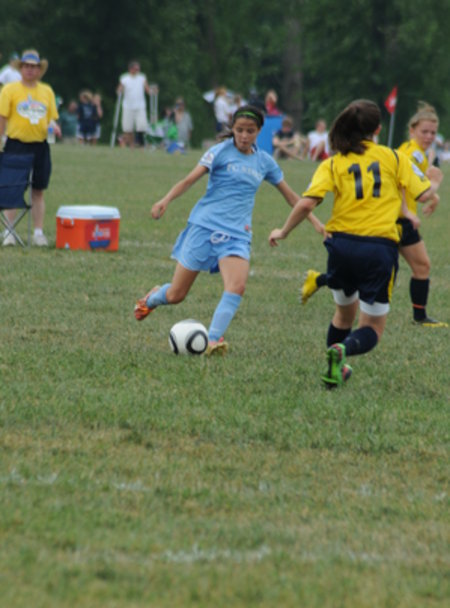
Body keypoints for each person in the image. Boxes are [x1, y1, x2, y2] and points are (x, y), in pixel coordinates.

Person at [269, 99, 442, 387]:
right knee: (372, 327)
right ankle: (343, 350)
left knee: (342, 315)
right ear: (377, 129)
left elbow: (307, 203)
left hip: (341, 246)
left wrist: (283, 231)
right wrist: (435, 181)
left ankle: (333, 371)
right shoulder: (394, 157)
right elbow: (424, 194)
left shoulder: (334, 162)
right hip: (378, 249)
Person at [133, 104, 323, 355]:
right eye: (240, 130)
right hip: (204, 227)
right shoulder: (219, 152)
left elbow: (292, 197)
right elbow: (189, 180)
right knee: (176, 294)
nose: (244, 136)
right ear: (232, 128)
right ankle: (152, 298)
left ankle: (213, 340)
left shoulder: (265, 162)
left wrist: (316, 222)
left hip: (237, 234)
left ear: (259, 131)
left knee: (236, 287)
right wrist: (165, 200)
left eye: (250, 131)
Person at [0, 49, 60, 247]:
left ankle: (38, 232)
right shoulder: (9, 90)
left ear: (39, 70)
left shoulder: (46, 91)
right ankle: (8, 231)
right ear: (21, 68)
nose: (30, 70)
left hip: (40, 145)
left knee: (38, 189)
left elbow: (51, 117)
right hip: (16, 144)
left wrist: (54, 126)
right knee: (13, 188)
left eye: (34, 67)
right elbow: (2, 117)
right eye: (26, 66)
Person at [396, 102, 447, 327]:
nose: (429, 137)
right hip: (396, 219)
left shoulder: (414, 152)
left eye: (433, 133)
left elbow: (415, 184)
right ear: (412, 130)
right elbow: (403, 185)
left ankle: (420, 317)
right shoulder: (413, 154)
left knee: (422, 266)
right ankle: (320, 279)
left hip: (402, 219)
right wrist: (434, 186)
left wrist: (433, 196)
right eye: (424, 131)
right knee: (373, 272)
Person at [117, 61, 154, 148]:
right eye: (136, 69)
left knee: (142, 126)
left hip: (140, 106)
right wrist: (119, 91)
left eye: (138, 69)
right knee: (128, 128)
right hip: (128, 106)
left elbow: (147, 89)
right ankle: (132, 145)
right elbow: (120, 88)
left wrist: (152, 92)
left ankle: (141, 145)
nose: (137, 71)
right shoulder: (124, 78)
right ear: (131, 69)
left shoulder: (142, 77)